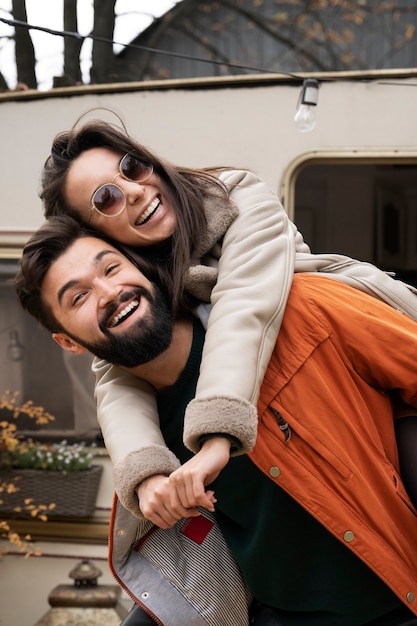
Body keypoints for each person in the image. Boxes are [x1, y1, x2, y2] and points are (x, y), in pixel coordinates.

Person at [15, 217, 417, 626]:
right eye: (78, 297)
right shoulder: (143, 449)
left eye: (111, 268)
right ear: (67, 342)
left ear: (143, 267)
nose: (109, 293)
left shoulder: (302, 308)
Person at [39, 116, 417, 523]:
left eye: (132, 167)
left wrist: (217, 435)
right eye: (106, 198)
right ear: (97, 235)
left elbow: (243, 305)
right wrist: (145, 472)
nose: (133, 191)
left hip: (378, 355)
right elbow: (114, 377)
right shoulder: (132, 278)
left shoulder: (233, 197)